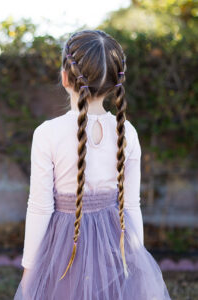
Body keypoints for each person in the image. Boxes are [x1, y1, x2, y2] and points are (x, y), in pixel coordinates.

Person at [14, 29, 171, 300]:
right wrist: (135, 260)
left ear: (65, 77)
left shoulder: (47, 133)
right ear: (113, 84)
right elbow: (131, 205)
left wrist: (30, 270)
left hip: (64, 248)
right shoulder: (127, 132)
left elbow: (40, 208)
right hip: (115, 245)